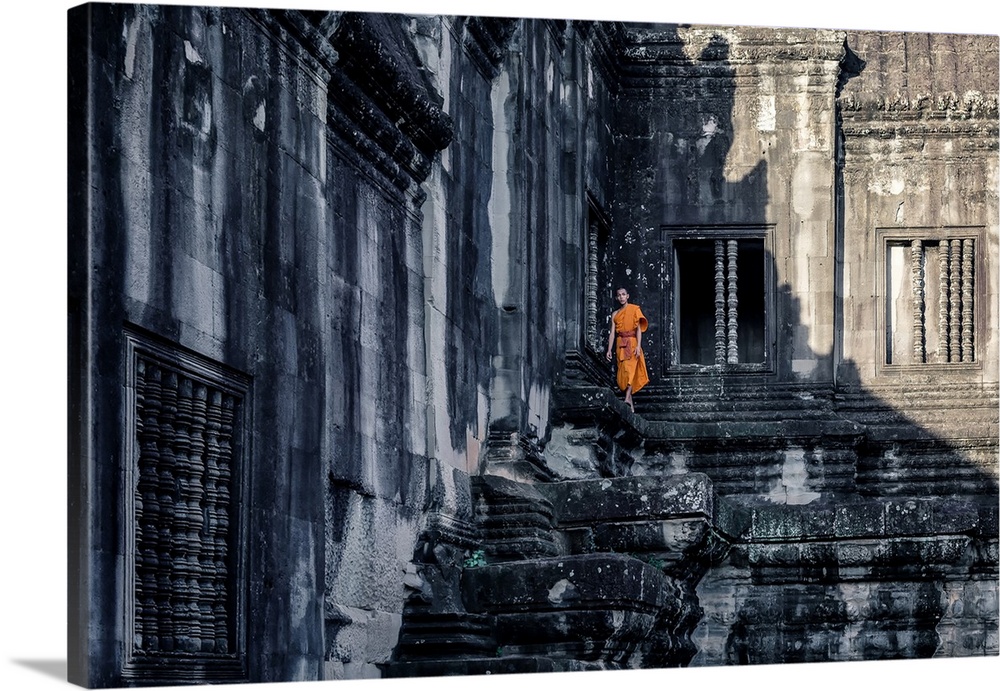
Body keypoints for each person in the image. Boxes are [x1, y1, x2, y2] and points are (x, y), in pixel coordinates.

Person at [605, 287, 649, 412]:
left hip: (632, 342)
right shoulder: (615, 314)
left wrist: (639, 346)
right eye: (619, 295)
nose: (621, 297)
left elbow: (639, 330)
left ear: (627, 296)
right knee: (623, 373)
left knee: (630, 371)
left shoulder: (635, 309)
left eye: (623, 294)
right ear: (616, 298)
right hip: (620, 344)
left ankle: (627, 397)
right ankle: (630, 401)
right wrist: (609, 350)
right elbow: (612, 334)